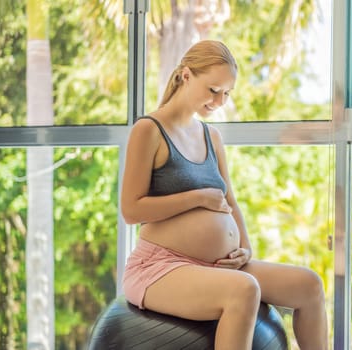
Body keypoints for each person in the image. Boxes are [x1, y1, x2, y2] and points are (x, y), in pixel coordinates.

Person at [121, 40, 328, 350]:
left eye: (227, 94)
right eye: (213, 90)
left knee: (309, 285)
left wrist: (245, 248)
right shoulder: (149, 130)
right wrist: (198, 198)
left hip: (217, 265)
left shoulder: (211, 135)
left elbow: (229, 200)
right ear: (187, 76)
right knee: (244, 290)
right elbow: (131, 210)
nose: (219, 101)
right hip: (160, 267)